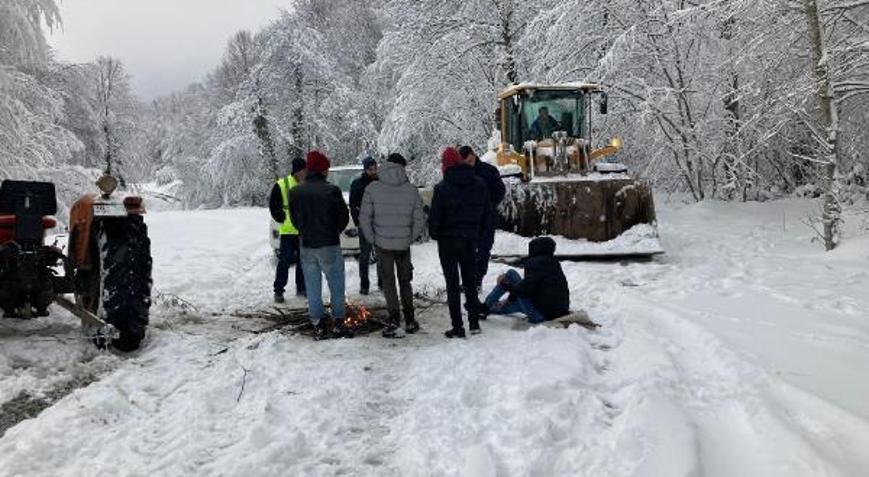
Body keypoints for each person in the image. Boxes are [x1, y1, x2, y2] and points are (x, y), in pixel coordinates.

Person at [359, 153, 425, 338]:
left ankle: (394, 319)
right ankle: (410, 319)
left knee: (388, 282)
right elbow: (420, 220)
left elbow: (364, 218)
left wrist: (373, 239)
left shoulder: (372, 189)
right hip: (403, 245)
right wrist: (409, 238)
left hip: (382, 245)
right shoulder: (411, 190)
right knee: (405, 281)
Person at [428, 147, 491, 338]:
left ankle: (457, 326)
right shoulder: (479, 184)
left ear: (445, 166)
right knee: (470, 282)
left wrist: (436, 234)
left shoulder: (441, 188)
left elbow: (435, 218)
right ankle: (473, 323)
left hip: (448, 242)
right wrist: (477, 234)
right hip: (470, 240)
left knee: (452, 284)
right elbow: (487, 215)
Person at [289, 150, 351, 340]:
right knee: (336, 284)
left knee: (312, 285)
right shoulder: (331, 190)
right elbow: (343, 217)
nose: (328, 172)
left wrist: (304, 231)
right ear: (322, 169)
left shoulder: (296, 191)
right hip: (329, 244)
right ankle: (339, 322)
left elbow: (293, 219)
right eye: (327, 168)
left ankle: (318, 323)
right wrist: (333, 231)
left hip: (307, 244)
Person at [482, 237, 570, 323]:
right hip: (556, 312)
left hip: (539, 315)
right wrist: (511, 298)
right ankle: (492, 308)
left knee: (511, 274)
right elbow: (531, 286)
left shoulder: (536, 263)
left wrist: (503, 283)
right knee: (511, 306)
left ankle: (484, 307)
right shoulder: (553, 262)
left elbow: (523, 291)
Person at [458, 145, 506, 292]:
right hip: (468, 219)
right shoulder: (461, 173)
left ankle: (477, 281)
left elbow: (500, 191)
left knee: (483, 251)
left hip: (486, 219)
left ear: (474, 155)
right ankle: (468, 281)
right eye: (466, 161)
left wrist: (488, 205)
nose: (469, 163)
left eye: (470, 160)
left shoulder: (488, 171)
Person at [268, 158, 307, 303]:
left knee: (303, 262)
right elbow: (273, 205)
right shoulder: (282, 184)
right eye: (304, 170)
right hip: (288, 231)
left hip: (303, 231)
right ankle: (279, 290)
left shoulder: (307, 184)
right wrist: (281, 217)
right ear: (297, 171)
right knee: (284, 261)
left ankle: (302, 288)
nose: (306, 173)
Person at [349, 156, 380, 295]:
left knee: (382, 255)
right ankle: (364, 284)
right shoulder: (357, 184)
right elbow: (352, 205)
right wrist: (358, 222)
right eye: (370, 169)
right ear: (365, 169)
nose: (373, 171)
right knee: (365, 255)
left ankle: (382, 282)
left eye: (375, 168)